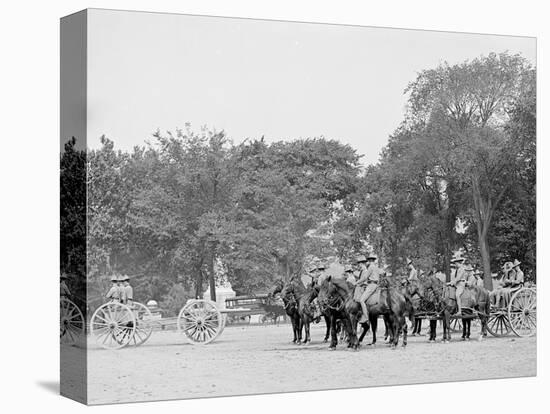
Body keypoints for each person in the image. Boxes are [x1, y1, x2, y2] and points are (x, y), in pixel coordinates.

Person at [356, 254, 381, 324]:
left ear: (370, 260)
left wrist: (356, 283)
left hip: (371, 285)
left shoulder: (370, 267)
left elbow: (365, 278)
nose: (368, 262)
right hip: (375, 284)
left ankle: (366, 317)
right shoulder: (376, 267)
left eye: (368, 261)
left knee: (361, 300)